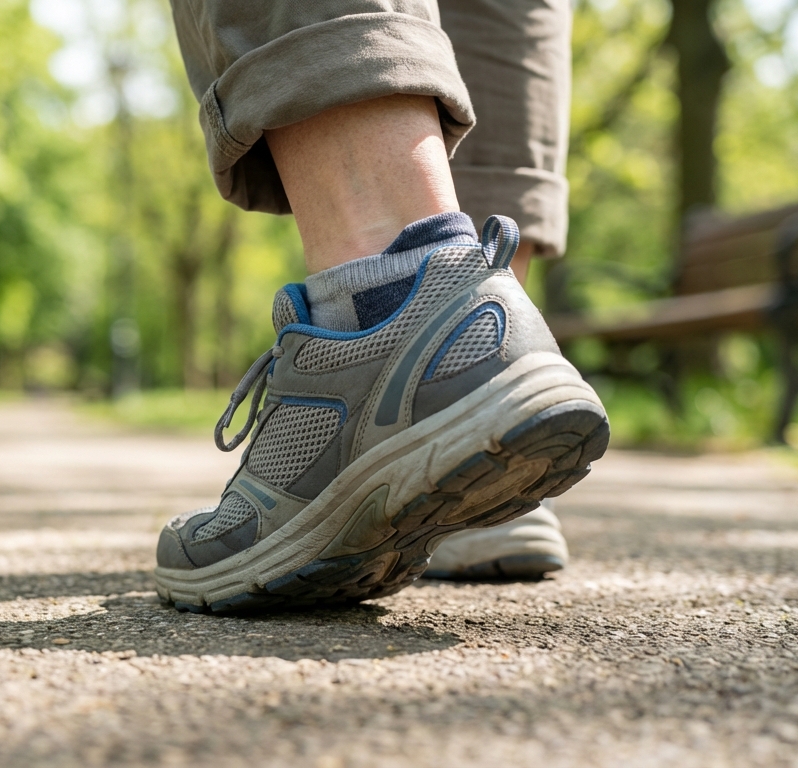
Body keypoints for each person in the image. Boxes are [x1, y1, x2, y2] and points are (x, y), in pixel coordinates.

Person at [154, 0, 609, 611]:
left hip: (405, 330)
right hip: (486, 323)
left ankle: (379, 301)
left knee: (391, 270)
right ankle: (473, 384)